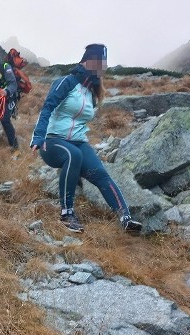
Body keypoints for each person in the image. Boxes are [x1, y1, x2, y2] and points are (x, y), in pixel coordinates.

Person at [30, 44, 142, 233]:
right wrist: (39, 136)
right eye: (99, 62)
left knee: (100, 173)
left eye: (104, 64)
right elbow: (48, 107)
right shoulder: (67, 81)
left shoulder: (91, 91)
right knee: (73, 155)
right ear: (87, 61)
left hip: (78, 141)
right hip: (51, 142)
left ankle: (125, 218)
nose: (102, 68)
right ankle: (67, 214)